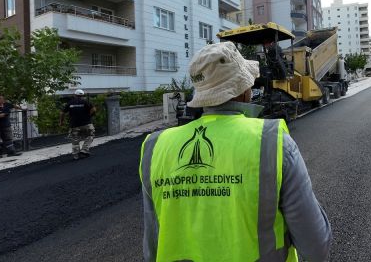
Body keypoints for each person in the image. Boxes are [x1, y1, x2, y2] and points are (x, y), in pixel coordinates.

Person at [139, 42, 331, 262]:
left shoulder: (155, 148)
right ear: (244, 91)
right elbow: (317, 248)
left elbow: (152, 244)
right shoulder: (272, 142)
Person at [60, 89, 96, 160]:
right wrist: (89, 115)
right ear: (83, 95)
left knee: (75, 140)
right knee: (90, 135)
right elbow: (94, 109)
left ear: (74, 95)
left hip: (74, 125)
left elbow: (62, 113)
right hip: (86, 124)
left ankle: (76, 156)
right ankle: (84, 150)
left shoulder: (70, 103)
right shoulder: (86, 102)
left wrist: (61, 122)